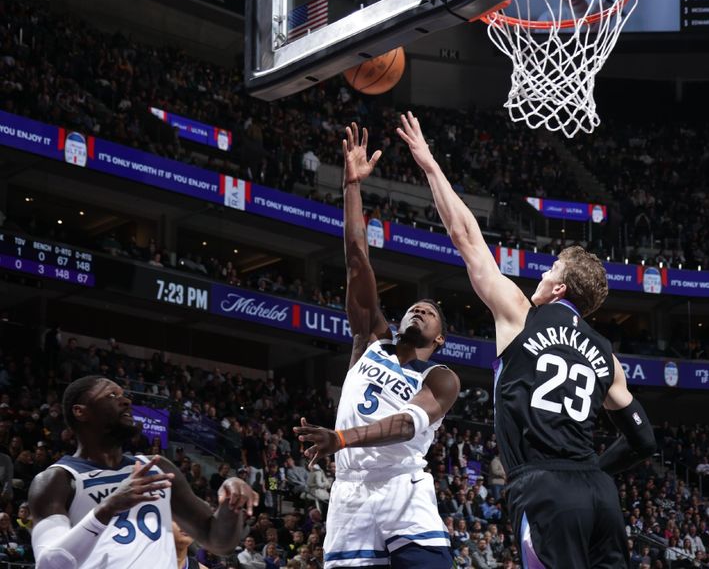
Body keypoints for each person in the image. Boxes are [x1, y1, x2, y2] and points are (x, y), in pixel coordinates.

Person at [397, 111, 656, 569]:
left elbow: (465, 237)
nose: (542, 272)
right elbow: (643, 441)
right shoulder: (606, 355)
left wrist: (430, 165)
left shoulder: (518, 312)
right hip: (600, 497)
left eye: (551, 268)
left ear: (559, 289)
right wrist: (596, 469)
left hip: (545, 488)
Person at [293, 123, 460, 568]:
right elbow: (356, 260)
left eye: (431, 312)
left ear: (440, 338)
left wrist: (341, 438)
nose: (419, 310)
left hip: (402, 488)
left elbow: (407, 425)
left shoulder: (440, 378)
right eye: (414, 306)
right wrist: (350, 185)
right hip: (349, 492)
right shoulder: (370, 338)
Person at [28, 376, 258, 568]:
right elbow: (49, 563)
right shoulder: (56, 480)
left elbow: (218, 541)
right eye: (111, 396)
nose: (126, 401)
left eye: (123, 395)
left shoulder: (158, 467)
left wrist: (231, 503)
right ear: (80, 411)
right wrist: (108, 508)